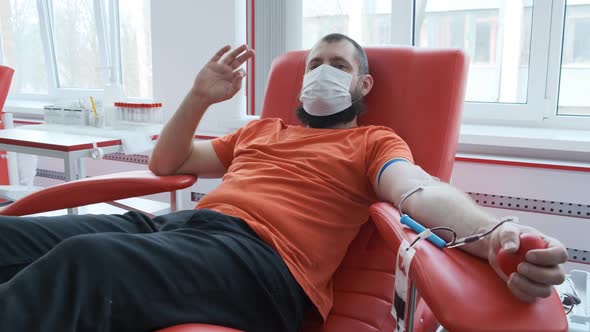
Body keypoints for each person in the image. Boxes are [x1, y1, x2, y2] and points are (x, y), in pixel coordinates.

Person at [0, 34, 567, 332]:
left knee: (85, 263)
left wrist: (495, 232)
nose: (321, 71)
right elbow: (166, 163)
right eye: (314, 63)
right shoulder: (261, 131)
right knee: (13, 241)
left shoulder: (373, 142)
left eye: (338, 65)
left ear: (362, 82)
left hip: (264, 267)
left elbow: (420, 191)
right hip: (177, 232)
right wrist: (199, 96)